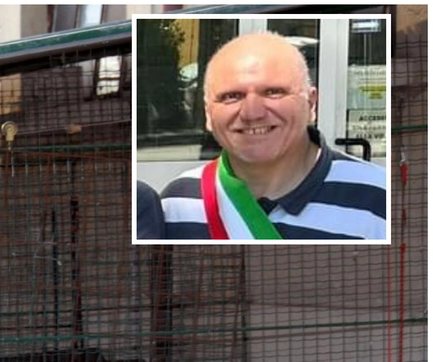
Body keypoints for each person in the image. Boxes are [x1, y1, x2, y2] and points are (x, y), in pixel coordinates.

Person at [161, 31, 386, 240]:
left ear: (311, 104)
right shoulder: (177, 203)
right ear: (208, 113)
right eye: (232, 96)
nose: (252, 113)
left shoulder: (380, 196)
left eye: (273, 92)